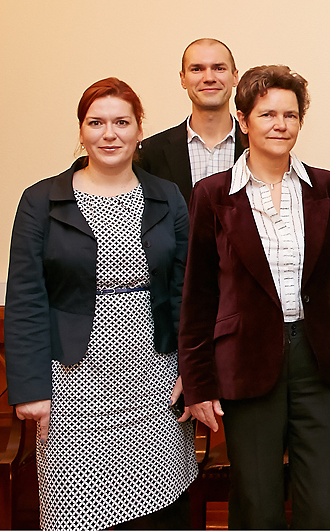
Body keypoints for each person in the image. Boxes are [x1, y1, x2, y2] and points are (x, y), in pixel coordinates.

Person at [5, 77, 197, 530]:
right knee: (80, 507)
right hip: (72, 380)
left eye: (121, 122)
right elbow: (26, 296)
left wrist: (193, 367)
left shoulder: (167, 196)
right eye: (97, 122)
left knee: (160, 500)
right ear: (82, 130)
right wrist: (30, 389)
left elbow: (189, 288)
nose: (109, 134)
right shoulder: (41, 200)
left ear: (139, 131)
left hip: (156, 372)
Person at [178, 65, 330, 529]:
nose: (280, 125)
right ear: (243, 119)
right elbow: (198, 295)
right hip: (245, 363)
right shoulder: (212, 195)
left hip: (318, 362)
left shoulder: (327, 187)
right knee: (257, 500)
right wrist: (198, 383)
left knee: (321, 500)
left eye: (291, 115)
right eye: (268, 114)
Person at [137, 38, 246, 201]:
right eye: (197, 69)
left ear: (235, 76)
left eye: (219, 68)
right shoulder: (150, 153)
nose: (209, 77)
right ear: (183, 79)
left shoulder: (258, 146)